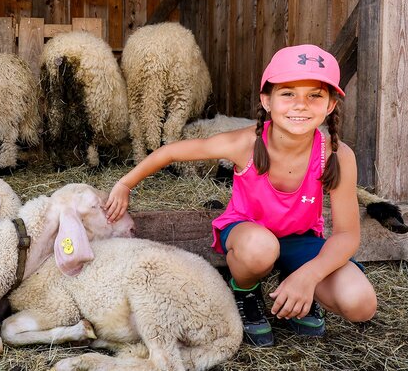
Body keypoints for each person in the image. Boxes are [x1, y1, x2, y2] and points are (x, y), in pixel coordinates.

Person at [105, 44, 377, 347]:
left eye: (315, 95)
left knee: (361, 303)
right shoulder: (243, 143)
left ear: (329, 105)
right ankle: (245, 290)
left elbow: (347, 235)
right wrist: (124, 184)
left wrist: (309, 277)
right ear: (267, 100)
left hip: (299, 241)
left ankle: (296, 287)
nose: (301, 104)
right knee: (260, 246)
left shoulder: (337, 155)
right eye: (288, 93)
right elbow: (170, 152)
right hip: (248, 238)